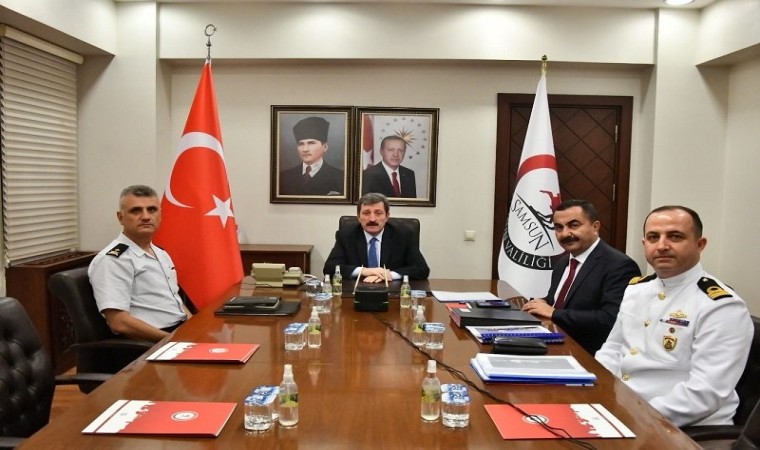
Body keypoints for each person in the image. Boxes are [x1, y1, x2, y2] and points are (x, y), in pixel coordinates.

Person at [595, 205, 753, 427]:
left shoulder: (721, 305)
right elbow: (613, 348)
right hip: (623, 409)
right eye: (653, 237)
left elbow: (705, 393)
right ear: (644, 243)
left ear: (700, 244)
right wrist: (596, 391)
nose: (662, 246)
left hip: (682, 427)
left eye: (675, 236)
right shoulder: (636, 290)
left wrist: (633, 416)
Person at [521, 199, 640, 354]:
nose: (565, 233)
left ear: (595, 227)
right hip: (554, 346)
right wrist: (543, 302)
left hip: (590, 355)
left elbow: (610, 319)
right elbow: (564, 302)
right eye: (558, 227)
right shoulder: (563, 263)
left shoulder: (619, 266)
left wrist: (554, 313)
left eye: (574, 225)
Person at [88, 185, 190, 342]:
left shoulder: (161, 253)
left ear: (160, 215)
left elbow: (175, 302)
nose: (146, 217)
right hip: (151, 342)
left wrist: (195, 328)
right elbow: (119, 323)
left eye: (152, 210)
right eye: (136, 211)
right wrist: (173, 341)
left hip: (178, 332)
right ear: (120, 217)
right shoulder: (114, 260)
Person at [323, 192, 429, 283]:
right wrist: (364, 271)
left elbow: (422, 269)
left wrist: (389, 275)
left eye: (378, 213)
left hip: (393, 291)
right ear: (358, 217)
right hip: (355, 291)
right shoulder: (346, 236)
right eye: (366, 213)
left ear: (387, 216)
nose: (372, 219)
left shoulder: (403, 235)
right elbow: (329, 268)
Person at [279, 116, 344, 196]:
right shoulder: (283, 177)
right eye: (301, 144)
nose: (305, 149)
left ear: (325, 147)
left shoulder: (341, 177)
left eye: (311, 143)